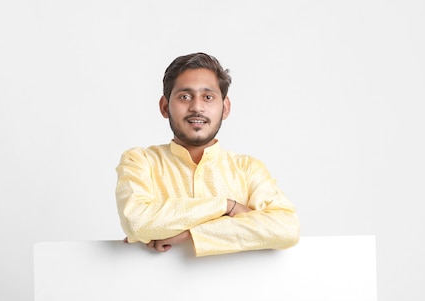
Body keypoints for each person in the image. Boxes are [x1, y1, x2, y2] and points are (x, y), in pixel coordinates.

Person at [115, 52, 300, 256]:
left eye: (208, 97)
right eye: (184, 97)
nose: (196, 107)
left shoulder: (247, 169)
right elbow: (136, 222)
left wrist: (191, 234)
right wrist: (226, 206)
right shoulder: (140, 161)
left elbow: (286, 229)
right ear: (165, 106)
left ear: (225, 108)